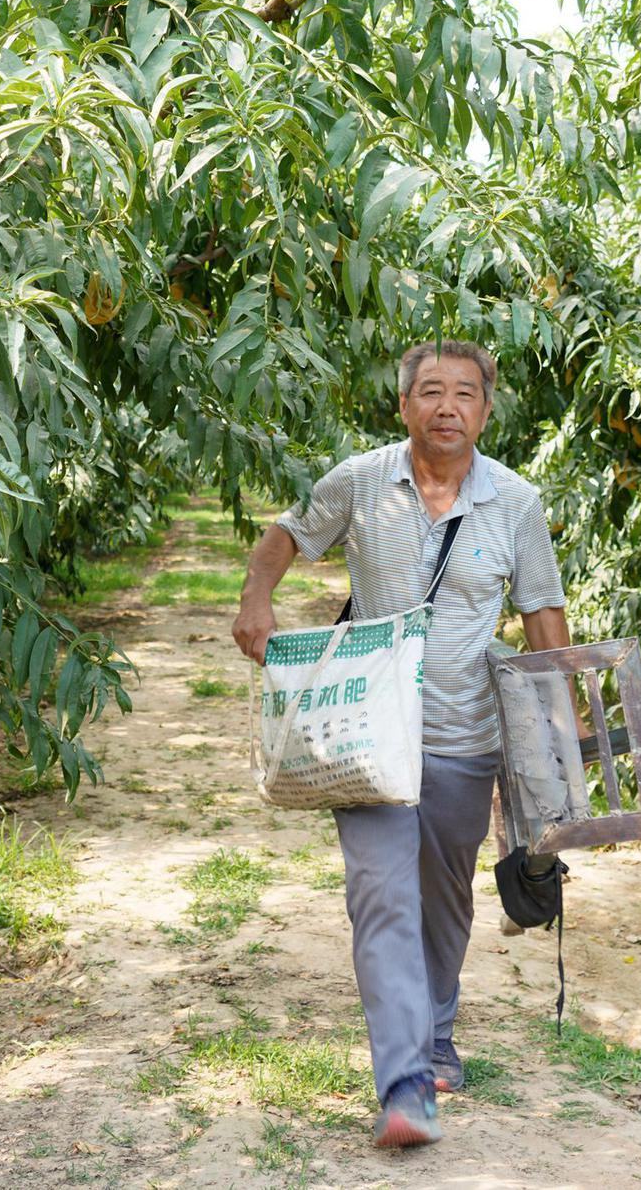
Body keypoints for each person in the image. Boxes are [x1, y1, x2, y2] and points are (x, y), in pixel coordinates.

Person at [233, 339, 571, 1149]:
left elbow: (543, 614)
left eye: (463, 393)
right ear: (404, 405)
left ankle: (439, 1025)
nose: (446, 405)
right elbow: (286, 532)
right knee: (380, 895)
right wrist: (256, 596)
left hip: (465, 737)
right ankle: (407, 1081)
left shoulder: (515, 503)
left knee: (444, 896)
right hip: (368, 736)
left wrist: (555, 736)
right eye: (430, 391)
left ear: (486, 410)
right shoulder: (360, 480)